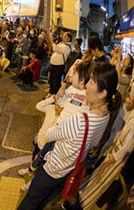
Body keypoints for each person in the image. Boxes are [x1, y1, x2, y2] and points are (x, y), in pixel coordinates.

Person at [17, 63, 122, 210]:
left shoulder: (80, 120)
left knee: (31, 200)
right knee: (42, 200)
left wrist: (60, 124)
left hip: (53, 169)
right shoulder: (105, 115)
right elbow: (92, 143)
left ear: (102, 93)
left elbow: (50, 134)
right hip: (69, 169)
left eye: (91, 81)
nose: (87, 85)